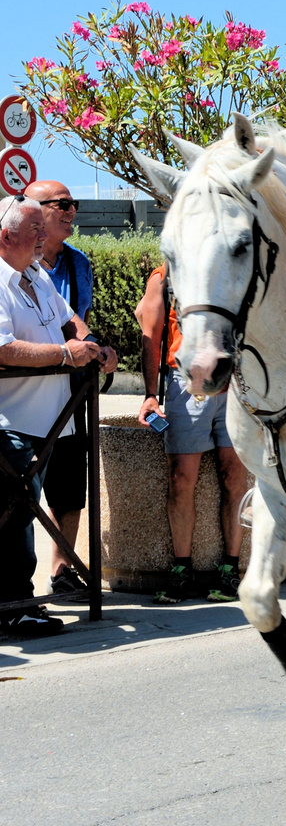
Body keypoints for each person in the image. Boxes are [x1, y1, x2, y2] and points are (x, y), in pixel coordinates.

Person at [0, 196, 117, 635]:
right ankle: (15, 603)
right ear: (6, 235)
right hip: (10, 420)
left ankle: (19, 599)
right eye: (35, 230)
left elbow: (69, 320)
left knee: (25, 508)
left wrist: (95, 347)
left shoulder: (36, 273)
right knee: (16, 505)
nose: (43, 237)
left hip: (52, 421)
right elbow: (2, 347)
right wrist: (64, 356)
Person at [136, 264, 247, 603]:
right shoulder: (164, 276)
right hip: (186, 382)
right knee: (181, 477)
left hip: (235, 382)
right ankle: (181, 569)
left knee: (234, 475)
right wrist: (151, 393)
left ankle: (231, 569)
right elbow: (151, 336)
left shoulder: (234, 266)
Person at [23, 181, 95, 596]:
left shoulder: (77, 264)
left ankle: (62, 568)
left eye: (74, 204)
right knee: (21, 488)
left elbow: (75, 318)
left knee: (70, 482)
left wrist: (95, 347)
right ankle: (15, 585)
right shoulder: (14, 267)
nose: (71, 211)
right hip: (23, 395)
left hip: (69, 392)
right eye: (62, 204)